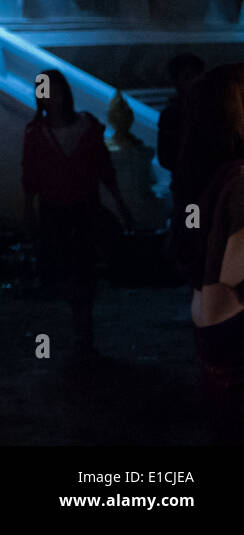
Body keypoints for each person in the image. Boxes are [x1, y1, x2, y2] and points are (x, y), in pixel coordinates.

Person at [21, 69, 133, 358]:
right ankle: (81, 327)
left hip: (84, 209)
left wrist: (121, 204)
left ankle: (84, 329)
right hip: (53, 211)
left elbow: (104, 169)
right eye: (45, 94)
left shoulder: (87, 127)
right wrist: (28, 212)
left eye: (55, 92)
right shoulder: (35, 133)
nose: (51, 99)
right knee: (68, 272)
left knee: (84, 271)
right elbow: (30, 176)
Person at [175, 63, 244, 443]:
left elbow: (189, 240)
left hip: (210, 326)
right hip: (233, 328)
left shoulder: (205, 173)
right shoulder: (239, 183)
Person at [158, 52, 205, 172]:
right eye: (187, 77)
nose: (195, 81)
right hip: (187, 181)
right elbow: (166, 158)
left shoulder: (216, 109)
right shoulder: (171, 115)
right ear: (176, 81)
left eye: (197, 75)